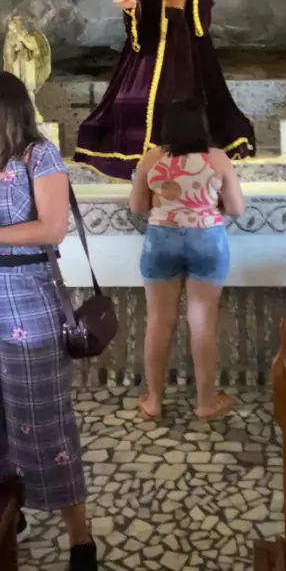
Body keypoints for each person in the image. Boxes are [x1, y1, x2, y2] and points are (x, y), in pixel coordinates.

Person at [74, 0, 256, 180]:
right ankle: (143, 151)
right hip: (150, 48)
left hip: (184, 49)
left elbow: (203, 7)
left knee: (188, 97)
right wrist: (132, 7)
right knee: (130, 99)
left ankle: (185, 148)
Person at [0, 72, 96, 571]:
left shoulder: (39, 157)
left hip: (26, 302)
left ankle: (80, 539)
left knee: (45, 422)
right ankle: (8, 514)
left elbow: (52, 227)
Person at [130, 98, 244, 422]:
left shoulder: (151, 158)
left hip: (161, 239)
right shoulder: (218, 158)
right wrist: (208, 206)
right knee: (202, 322)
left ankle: (153, 401)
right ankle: (206, 403)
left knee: (158, 321)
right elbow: (236, 208)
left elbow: (137, 206)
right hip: (207, 239)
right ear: (202, 126)